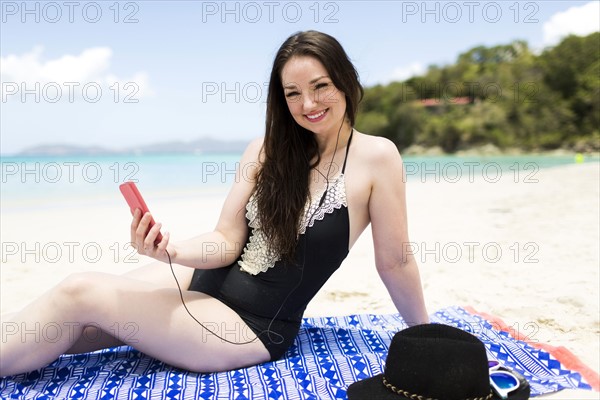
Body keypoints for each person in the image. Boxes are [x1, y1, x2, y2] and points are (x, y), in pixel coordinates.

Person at [0, 30, 429, 377]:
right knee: (72, 322)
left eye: (320, 87)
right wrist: (170, 250)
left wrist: (424, 333)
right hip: (202, 279)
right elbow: (226, 239)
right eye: (293, 93)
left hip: (249, 327)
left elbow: (394, 261)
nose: (308, 104)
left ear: (345, 80)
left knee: (81, 291)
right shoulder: (264, 149)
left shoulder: (378, 157)